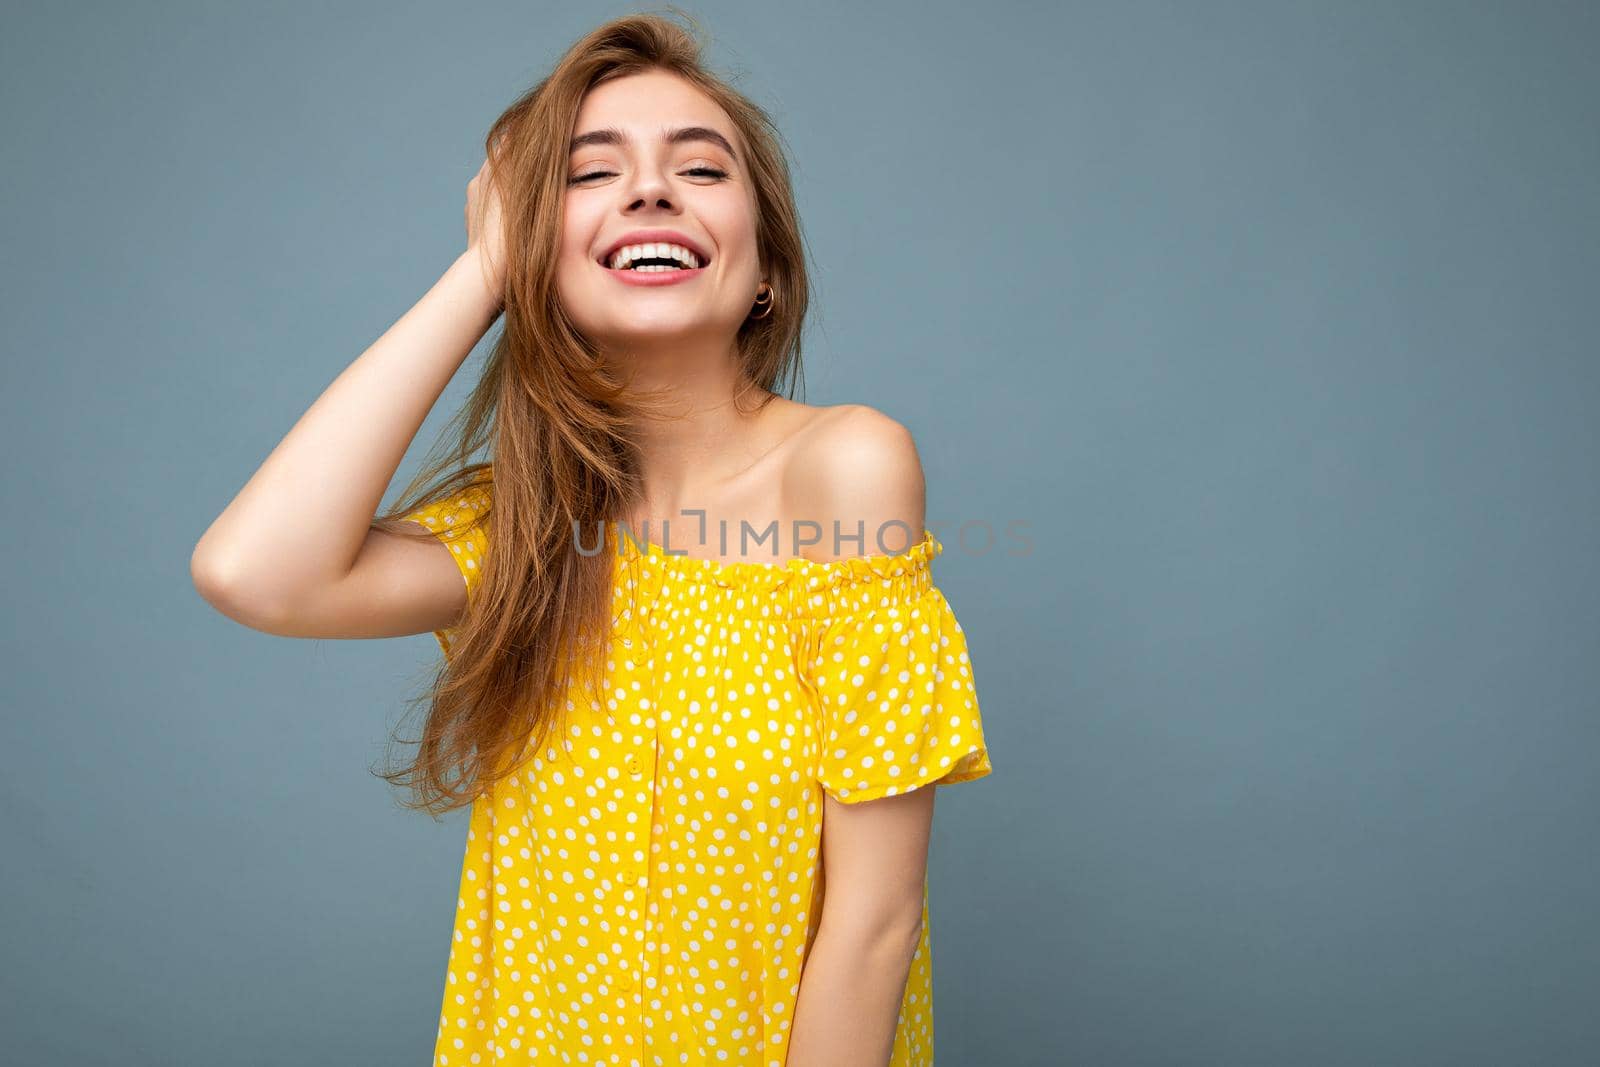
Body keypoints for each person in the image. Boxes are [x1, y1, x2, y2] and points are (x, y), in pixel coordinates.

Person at [191, 12, 993, 1066]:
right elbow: (255, 572)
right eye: (585, 175)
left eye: (701, 169)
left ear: (766, 274)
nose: (651, 190)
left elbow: (875, 919)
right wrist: (483, 272)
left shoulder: (843, 466)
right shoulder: (520, 529)